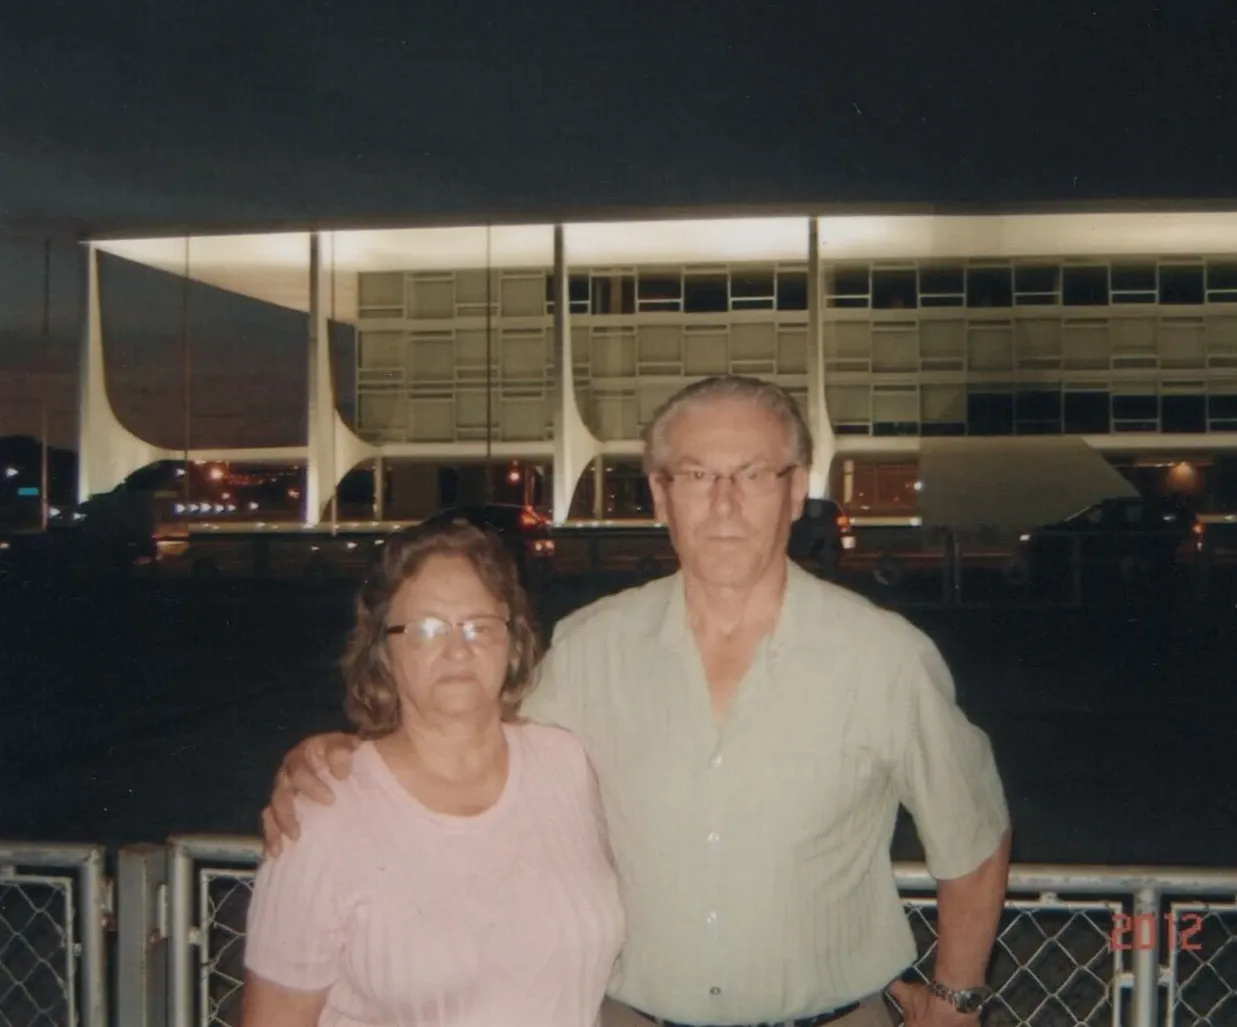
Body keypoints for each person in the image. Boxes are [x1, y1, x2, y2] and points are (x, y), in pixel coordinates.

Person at [265, 375, 1012, 1027]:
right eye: (695, 475)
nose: (723, 503)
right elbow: (474, 744)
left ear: (793, 490)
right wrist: (343, 755)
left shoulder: (885, 657)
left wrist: (954, 1001)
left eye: (751, 473)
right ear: (660, 494)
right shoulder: (592, 648)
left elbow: (971, 834)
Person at [243, 519, 623, 1027]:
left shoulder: (567, 764)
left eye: (479, 626)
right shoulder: (325, 810)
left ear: (512, 642)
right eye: (424, 630)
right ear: (383, 652)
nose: (457, 649)